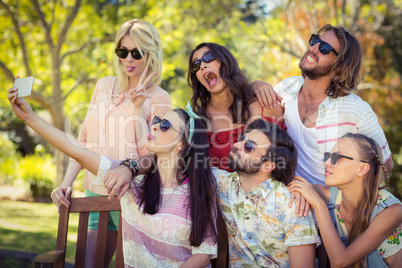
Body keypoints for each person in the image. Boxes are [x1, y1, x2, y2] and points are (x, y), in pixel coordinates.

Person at [7, 88, 218, 267]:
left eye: (164, 126)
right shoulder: (132, 185)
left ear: (181, 144)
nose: (154, 125)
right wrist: (29, 117)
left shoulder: (199, 190)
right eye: (157, 120)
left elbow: (203, 252)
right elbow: (77, 150)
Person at [104, 119, 321, 267]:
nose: (237, 144)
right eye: (242, 139)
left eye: (249, 146)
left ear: (268, 165)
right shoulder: (221, 182)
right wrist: (129, 167)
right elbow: (169, 157)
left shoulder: (292, 204)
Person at [50, 19, 172, 267]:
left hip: (134, 198)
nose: (128, 59)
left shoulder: (160, 98)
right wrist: (65, 183)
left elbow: (150, 156)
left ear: (151, 54)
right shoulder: (103, 86)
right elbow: (84, 141)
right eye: (122, 51)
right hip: (95, 192)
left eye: (136, 53)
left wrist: (138, 109)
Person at [251, 24, 393, 185]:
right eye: (314, 40)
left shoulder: (356, 110)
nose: (313, 48)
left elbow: (386, 165)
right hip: (288, 194)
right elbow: (254, 102)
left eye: (325, 48)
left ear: (340, 64)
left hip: (330, 202)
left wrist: (343, 199)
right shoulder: (288, 87)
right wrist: (256, 85)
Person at [288, 133, 402, 267]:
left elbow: (340, 261)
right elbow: (285, 185)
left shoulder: (391, 211)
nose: (326, 163)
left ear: (362, 169)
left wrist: (319, 205)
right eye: (328, 156)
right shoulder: (328, 195)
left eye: (337, 157)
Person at [188, 42, 285, 172]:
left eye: (208, 58)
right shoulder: (197, 122)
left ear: (225, 61)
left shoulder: (264, 104)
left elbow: (284, 160)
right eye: (196, 64)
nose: (203, 66)